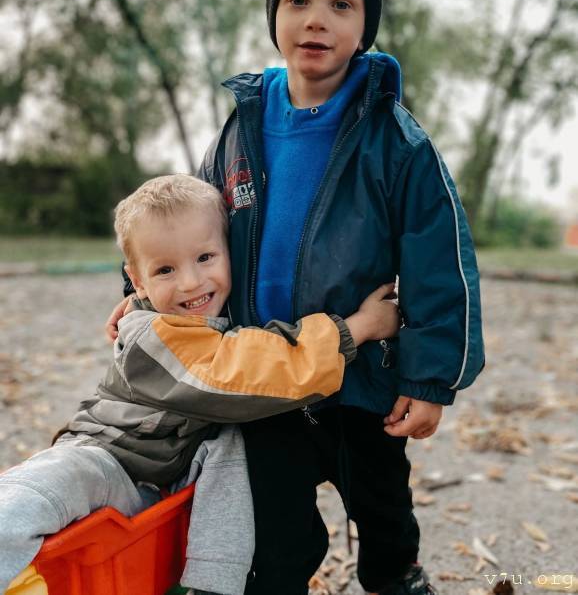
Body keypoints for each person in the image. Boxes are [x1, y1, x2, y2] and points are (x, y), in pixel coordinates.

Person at [194, 0, 485, 595]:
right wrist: (140, 292)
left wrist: (430, 379)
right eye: (297, 0)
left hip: (360, 380)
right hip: (267, 373)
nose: (316, 19)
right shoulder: (241, 126)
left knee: (382, 504)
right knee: (275, 527)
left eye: (341, 4)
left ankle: (394, 573)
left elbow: (440, 259)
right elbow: (189, 221)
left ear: (364, 28)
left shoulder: (395, 140)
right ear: (274, 14)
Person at [0, 174, 400, 595]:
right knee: (50, 485)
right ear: (138, 281)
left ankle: (213, 586)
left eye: (205, 257)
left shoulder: (222, 320)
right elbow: (250, 369)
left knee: (231, 448)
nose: (190, 282)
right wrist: (356, 328)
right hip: (112, 458)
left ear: (232, 253)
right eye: (165, 270)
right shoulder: (150, 335)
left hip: (166, 477)